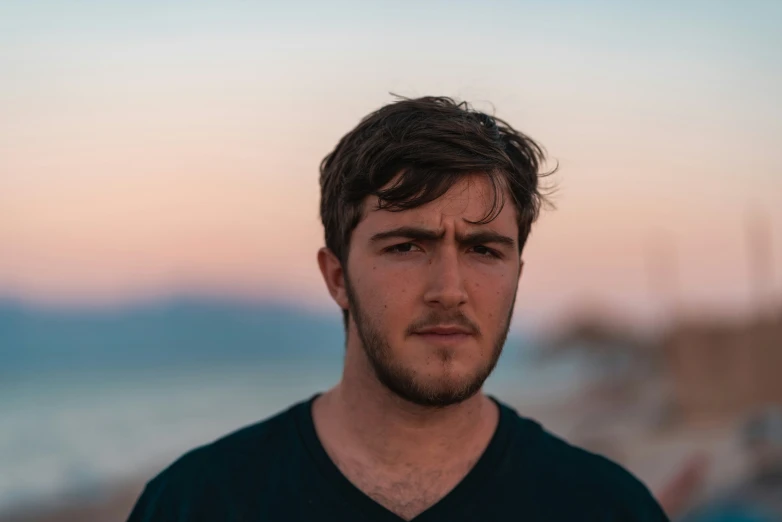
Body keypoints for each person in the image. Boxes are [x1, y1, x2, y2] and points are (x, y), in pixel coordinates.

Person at [126, 96, 669, 521]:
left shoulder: (605, 507)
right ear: (337, 277)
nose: (450, 289)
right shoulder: (197, 503)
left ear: (516, 278)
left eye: (484, 250)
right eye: (406, 247)